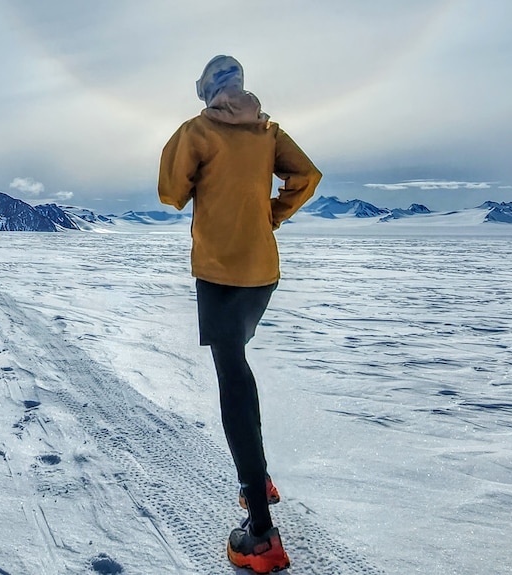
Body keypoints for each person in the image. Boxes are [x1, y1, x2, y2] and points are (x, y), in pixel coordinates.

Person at [158, 55, 321, 573]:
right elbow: (307, 175)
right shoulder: (268, 131)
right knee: (238, 364)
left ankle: (259, 535)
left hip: (219, 273)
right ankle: (260, 478)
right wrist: (269, 213)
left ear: (207, 90)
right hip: (262, 274)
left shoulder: (197, 130)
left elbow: (170, 193)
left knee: (232, 377)